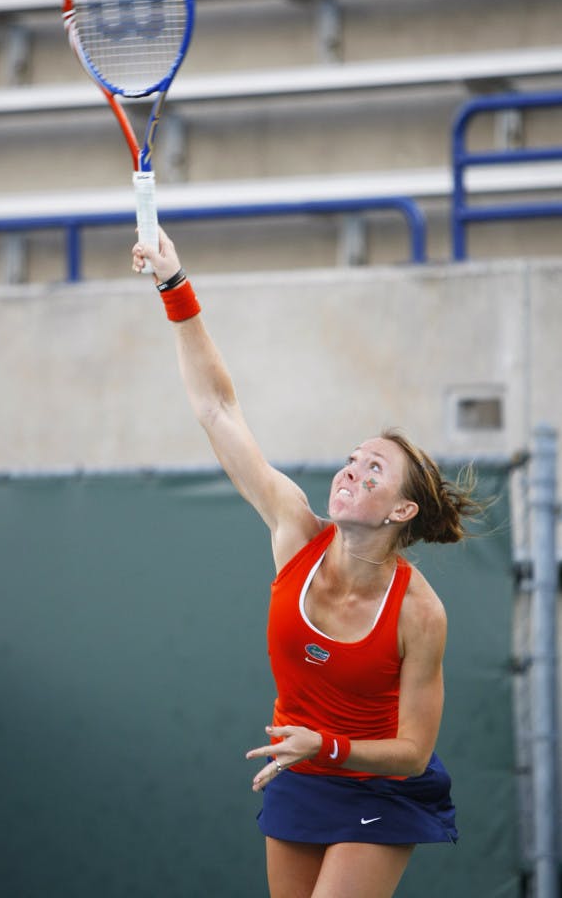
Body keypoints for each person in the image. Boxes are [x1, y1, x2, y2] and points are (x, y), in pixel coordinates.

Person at [132, 229, 482, 898]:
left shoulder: (419, 613)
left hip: (379, 783)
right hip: (297, 774)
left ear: (400, 512)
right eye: (353, 457)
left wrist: (323, 746)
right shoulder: (294, 530)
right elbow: (215, 407)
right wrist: (173, 284)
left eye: (372, 469)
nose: (351, 469)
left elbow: (411, 752)